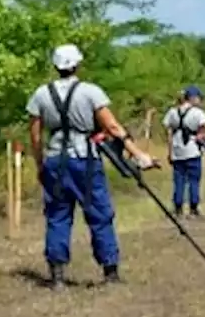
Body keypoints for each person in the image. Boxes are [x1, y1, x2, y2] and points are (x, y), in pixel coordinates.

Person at [26, 44, 157, 290]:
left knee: (57, 216)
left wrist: (40, 163)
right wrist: (139, 155)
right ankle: (110, 271)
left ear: (56, 66)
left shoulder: (41, 94)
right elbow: (113, 128)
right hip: (85, 159)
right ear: (77, 64)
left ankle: (57, 276)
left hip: (55, 159)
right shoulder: (90, 92)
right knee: (99, 214)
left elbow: (34, 135)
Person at [162, 85, 205, 218]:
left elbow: (169, 134)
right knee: (194, 180)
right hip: (193, 151)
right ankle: (194, 209)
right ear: (193, 98)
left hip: (177, 152)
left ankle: (178, 208)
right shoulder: (197, 113)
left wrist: (170, 152)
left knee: (179, 180)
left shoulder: (172, 112)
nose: (200, 100)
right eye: (199, 98)